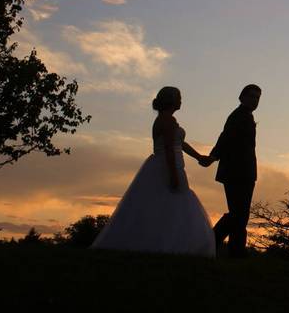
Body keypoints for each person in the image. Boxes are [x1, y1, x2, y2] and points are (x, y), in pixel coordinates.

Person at [90, 86, 215, 257]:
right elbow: (170, 148)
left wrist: (199, 157)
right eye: (179, 97)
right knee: (175, 202)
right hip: (168, 164)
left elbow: (180, 143)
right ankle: (175, 246)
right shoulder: (167, 120)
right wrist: (173, 174)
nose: (181, 101)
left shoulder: (167, 119)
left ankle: (165, 244)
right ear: (171, 100)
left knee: (165, 205)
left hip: (167, 163)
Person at [199, 84, 260, 258]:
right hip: (236, 171)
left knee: (240, 214)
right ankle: (214, 244)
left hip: (245, 171)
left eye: (257, 98)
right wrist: (213, 156)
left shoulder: (246, 116)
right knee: (238, 214)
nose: (255, 100)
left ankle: (233, 250)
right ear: (242, 97)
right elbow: (225, 138)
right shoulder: (238, 116)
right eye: (252, 96)